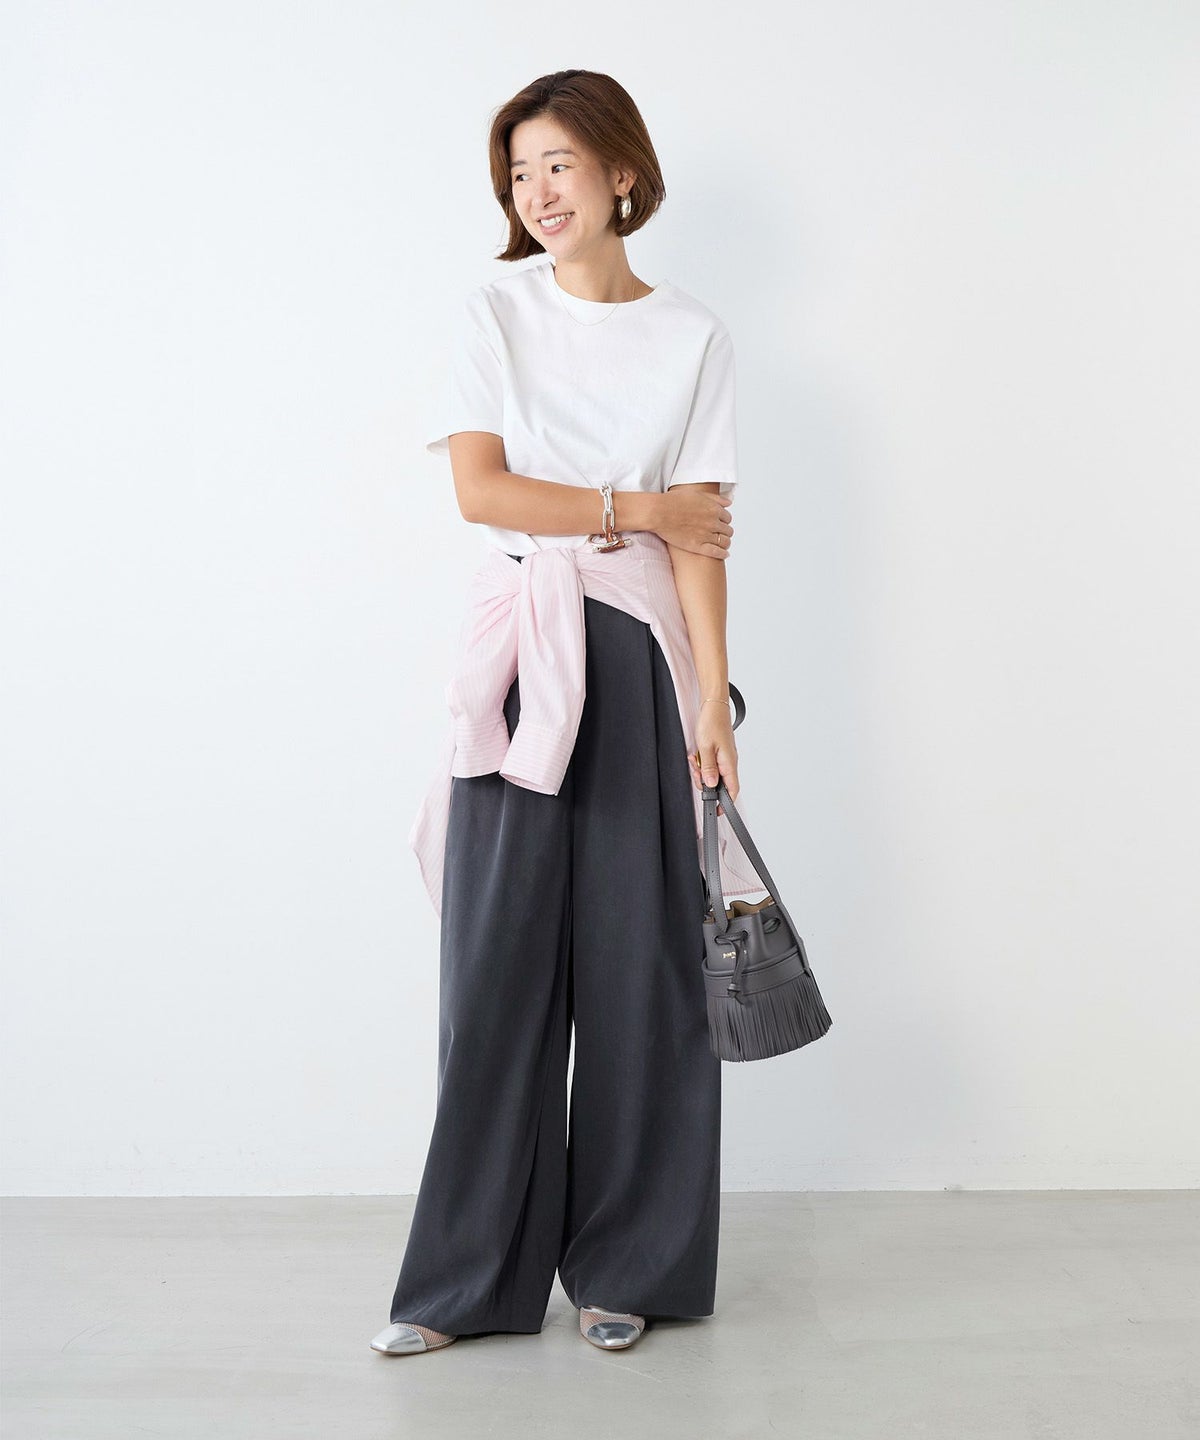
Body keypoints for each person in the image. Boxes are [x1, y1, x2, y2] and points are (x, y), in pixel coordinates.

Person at [371, 68, 764, 1358]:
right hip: (524, 653)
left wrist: (714, 698)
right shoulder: (494, 313)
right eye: (519, 172)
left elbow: (704, 535)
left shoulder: (694, 335)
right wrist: (634, 508)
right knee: (494, 970)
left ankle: (627, 1270)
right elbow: (483, 493)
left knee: (645, 968)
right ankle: (465, 1285)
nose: (538, 192)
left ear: (622, 174)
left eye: (559, 164)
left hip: (641, 657)